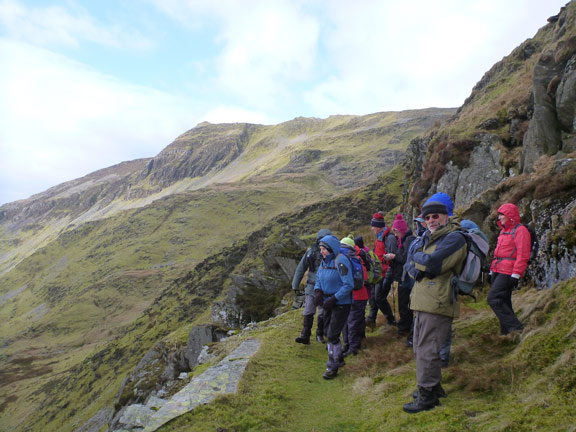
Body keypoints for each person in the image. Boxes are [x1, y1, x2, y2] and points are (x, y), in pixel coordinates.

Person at [403, 199, 467, 413]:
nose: (431, 220)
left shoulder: (454, 238)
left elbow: (430, 263)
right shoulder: (431, 238)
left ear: (446, 216)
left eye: (436, 216)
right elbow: (414, 263)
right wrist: (421, 261)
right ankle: (434, 386)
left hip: (437, 301)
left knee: (428, 350)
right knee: (420, 347)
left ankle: (427, 395)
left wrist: (420, 260)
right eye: (427, 217)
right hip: (424, 300)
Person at [314, 234, 354, 380]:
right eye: (320, 248)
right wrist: (318, 291)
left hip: (341, 304)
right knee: (327, 331)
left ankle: (332, 367)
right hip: (328, 302)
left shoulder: (341, 261)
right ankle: (339, 359)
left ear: (331, 248)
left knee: (332, 335)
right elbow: (319, 278)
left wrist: (334, 298)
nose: (322, 251)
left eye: (324, 248)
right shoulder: (324, 262)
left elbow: (349, 284)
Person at [488, 203, 530, 335]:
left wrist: (516, 275)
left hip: (508, 272)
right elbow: (497, 253)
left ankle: (516, 329)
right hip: (497, 270)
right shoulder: (503, 231)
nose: (499, 218)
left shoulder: (520, 230)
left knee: (493, 299)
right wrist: (491, 271)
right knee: (504, 300)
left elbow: (523, 254)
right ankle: (507, 333)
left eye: (501, 215)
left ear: (509, 216)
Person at [293, 228, 332, 345]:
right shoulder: (311, 252)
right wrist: (295, 284)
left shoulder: (333, 253)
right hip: (311, 287)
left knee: (322, 312)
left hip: (326, 288)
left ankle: (320, 334)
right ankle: (305, 335)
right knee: (308, 310)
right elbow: (301, 268)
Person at [384, 214, 415, 336]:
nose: (395, 234)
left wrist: (394, 256)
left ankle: (404, 328)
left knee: (404, 303)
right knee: (403, 302)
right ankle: (404, 326)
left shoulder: (408, 240)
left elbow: (406, 258)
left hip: (407, 277)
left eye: (396, 231)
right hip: (403, 276)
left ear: (401, 230)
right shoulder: (404, 240)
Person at [340, 236, 370, 357]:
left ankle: (351, 347)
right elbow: (366, 278)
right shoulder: (359, 258)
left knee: (349, 322)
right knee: (355, 320)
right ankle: (355, 344)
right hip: (360, 295)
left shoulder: (345, 260)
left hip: (351, 296)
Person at [366, 212, 397, 327]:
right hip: (377, 273)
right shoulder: (379, 238)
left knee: (379, 298)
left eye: (373, 226)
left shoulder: (389, 238)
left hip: (385, 274)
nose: (372, 228)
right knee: (373, 297)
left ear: (378, 226)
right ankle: (371, 319)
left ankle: (391, 320)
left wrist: (387, 271)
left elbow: (393, 256)